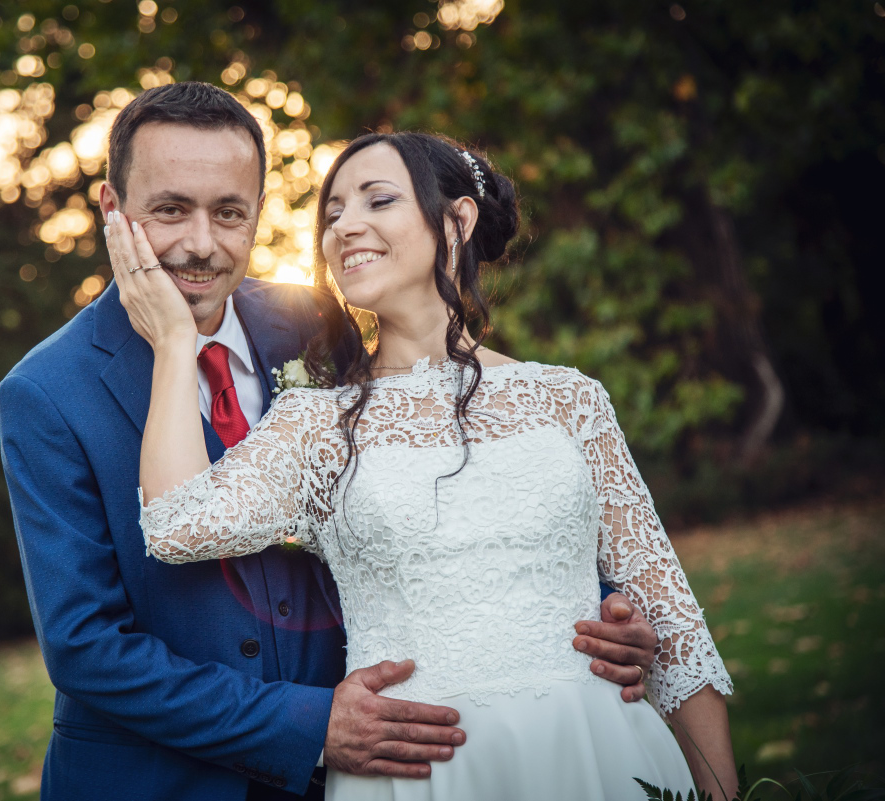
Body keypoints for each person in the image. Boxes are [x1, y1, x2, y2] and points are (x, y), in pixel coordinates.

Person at [0, 82, 661, 801]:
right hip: (160, 781)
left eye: (229, 212)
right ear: (112, 210)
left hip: (376, 766)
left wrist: (593, 610)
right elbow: (87, 647)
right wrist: (309, 725)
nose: (200, 244)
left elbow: (440, 482)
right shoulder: (45, 391)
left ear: (259, 211)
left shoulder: (312, 323)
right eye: (170, 210)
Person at [121, 129, 737, 801]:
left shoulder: (570, 400)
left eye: (378, 199)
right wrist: (174, 341)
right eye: (332, 214)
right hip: (422, 775)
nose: (344, 226)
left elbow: (675, 628)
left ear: (456, 221)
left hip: (593, 748)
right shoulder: (315, 423)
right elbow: (175, 525)